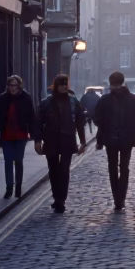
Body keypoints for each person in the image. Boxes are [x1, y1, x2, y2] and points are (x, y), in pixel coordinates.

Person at [93, 71, 135, 212]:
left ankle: (117, 198)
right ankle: (120, 198)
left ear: (111, 84)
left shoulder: (104, 100)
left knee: (113, 168)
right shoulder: (133, 99)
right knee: (124, 168)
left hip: (111, 139)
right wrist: (131, 128)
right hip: (127, 139)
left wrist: (106, 126)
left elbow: (96, 118)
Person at [32, 74, 86, 213]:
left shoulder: (73, 101)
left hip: (67, 139)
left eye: (65, 85)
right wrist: (37, 141)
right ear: (55, 86)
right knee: (54, 170)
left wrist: (83, 142)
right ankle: (57, 197)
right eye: (61, 85)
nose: (63, 87)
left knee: (64, 170)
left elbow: (80, 122)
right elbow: (38, 123)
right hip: (51, 140)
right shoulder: (46, 102)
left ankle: (61, 200)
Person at [0, 75, 35, 200]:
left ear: (20, 86)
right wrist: (0, 126)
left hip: (21, 135)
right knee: (7, 161)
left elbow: (31, 116)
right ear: (8, 86)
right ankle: (9, 188)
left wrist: (33, 134)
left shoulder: (26, 98)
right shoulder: (2, 99)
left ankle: (18, 186)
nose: (13, 88)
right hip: (6, 135)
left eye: (16, 85)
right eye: (11, 85)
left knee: (18, 161)